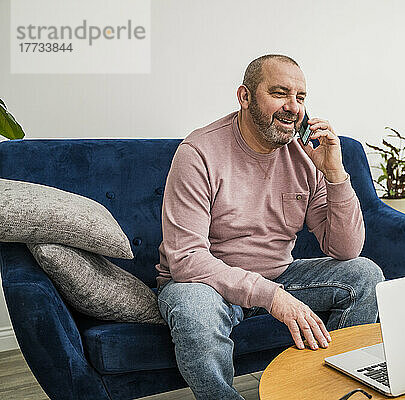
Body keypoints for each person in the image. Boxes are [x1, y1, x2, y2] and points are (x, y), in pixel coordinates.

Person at [154, 54, 384, 400]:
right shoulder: (198, 152)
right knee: (194, 310)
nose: (293, 107)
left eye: (300, 97)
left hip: (277, 274)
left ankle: (326, 392)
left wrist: (334, 173)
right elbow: (186, 259)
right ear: (245, 97)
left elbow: (345, 250)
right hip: (204, 284)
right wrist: (272, 297)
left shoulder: (306, 155)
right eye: (280, 93)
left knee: (364, 274)